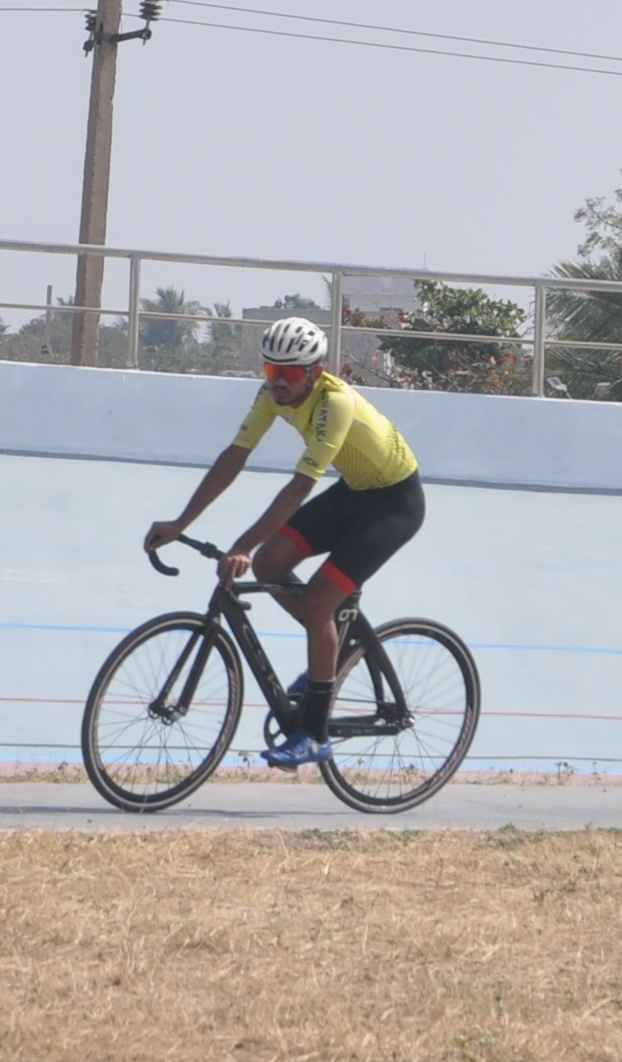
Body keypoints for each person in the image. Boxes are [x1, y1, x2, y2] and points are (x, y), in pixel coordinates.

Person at [144, 316, 427, 771]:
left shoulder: (334, 403)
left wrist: (242, 543)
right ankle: (327, 655)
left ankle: (314, 734)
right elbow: (234, 457)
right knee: (270, 565)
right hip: (355, 492)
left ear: (314, 372)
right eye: (270, 371)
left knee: (316, 604)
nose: (278, 382)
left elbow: (298, 489)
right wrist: (181, 522)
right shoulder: (271, 396)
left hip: (394, 505)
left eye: (289, 374)